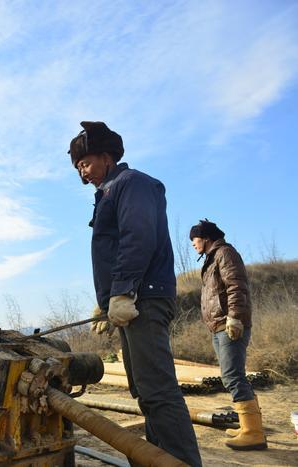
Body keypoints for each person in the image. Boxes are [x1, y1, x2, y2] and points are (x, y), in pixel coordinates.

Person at [69, 121, 202, 466]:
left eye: (85, 164)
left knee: (158, 391)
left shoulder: (132, 184)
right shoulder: (110, 192)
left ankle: (181, 462)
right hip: (131, 299)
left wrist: (124, 291)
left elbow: (137, 237)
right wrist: (105, 303)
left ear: (106, 155)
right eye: (78, 168)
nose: (83, 174)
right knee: (144, 391)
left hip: (144, 298)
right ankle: (157, 459)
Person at [190, 219, 266, 451]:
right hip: (218, 325)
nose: (193, 244)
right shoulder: (213, 258)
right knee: (233, 375)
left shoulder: (225, 254)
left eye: (195, 239)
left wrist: (235, 317)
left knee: (232, 377)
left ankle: (253, 433)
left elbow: (236, 286)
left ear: (206, 238)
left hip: (229, 324)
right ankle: (248, 427)